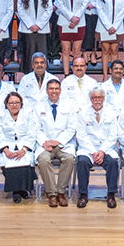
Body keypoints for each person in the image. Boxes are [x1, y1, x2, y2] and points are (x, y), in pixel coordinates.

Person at [75, 88, 120, 209]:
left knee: (112, 162)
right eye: (94, 98)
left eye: (100, 97)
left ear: (104, 98)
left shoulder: (111, 113)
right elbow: (81, 135)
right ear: (90, 99)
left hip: (106, 148)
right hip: (88, 149)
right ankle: (83, 194)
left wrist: (101, 151)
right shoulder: (83, 113)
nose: (97, 100)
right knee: (83, 161)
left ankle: (111, 194)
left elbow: (113, 136)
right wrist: (94, 152)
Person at [35, 79, 76, 207]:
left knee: (69, 158)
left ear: (60, 90)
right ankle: (51, 193)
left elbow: (72, 128)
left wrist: (58, 141)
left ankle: (61, 191)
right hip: (45, 144)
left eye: (56, 89)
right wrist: (45, 142)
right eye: (51, 89)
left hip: (63, 143)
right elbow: (36, 128)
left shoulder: (69, 106)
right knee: (43, 160)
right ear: (46, 91)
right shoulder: (38, 106)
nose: (54, 91)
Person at [0, 92, 38, 203]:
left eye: (17, 102)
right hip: (5, 145)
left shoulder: (28, 113)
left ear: (21, 103)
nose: (14, 105)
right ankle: (15, 191)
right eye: (11, 103)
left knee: (26, 160)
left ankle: (24, 189)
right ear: (6, 104)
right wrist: (5, 149)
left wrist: (24, 149)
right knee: (7, 160)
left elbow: (32, 132)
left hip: (24, 145)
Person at [55, 0, 88, 75]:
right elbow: (59, 4)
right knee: (65, 50)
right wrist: (71, 17)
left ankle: (76, 75)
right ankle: (66, 75)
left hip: (79, 22)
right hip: (64, 21)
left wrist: (76, 17)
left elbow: (85, 3)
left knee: (77, 51)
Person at [17, 0, 51, 72]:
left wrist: (39, 25)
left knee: (42, 55)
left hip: (42, 29)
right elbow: (20, 9)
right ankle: (28, 77)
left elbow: (49, 9)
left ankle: (42, 77)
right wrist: (30, 24)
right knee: (29, 55)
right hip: (27, 29)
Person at [96, 0, 124, 80]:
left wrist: (114, 26)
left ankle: (115, 76)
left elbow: (123, 9)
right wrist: (109, 26)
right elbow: (99, 10)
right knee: (105, 50)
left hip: (117, 27)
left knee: (114, 50)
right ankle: (105, 76)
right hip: (104, 26)